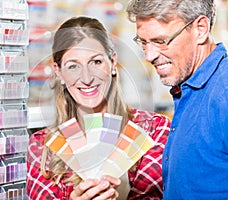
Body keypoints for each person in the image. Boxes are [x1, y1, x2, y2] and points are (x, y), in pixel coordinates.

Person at [26, 16, 171, 199]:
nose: (87, 78)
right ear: (58, 72)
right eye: (73, 66)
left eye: (96, 62)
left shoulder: (154, 130)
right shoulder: (42, 147)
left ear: (112, 62)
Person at [126, 0, 228, 199]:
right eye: (143, 42)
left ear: (200, 29)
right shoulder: (190, 88)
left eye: (160, 41)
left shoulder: (223, 92)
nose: (149, 55)